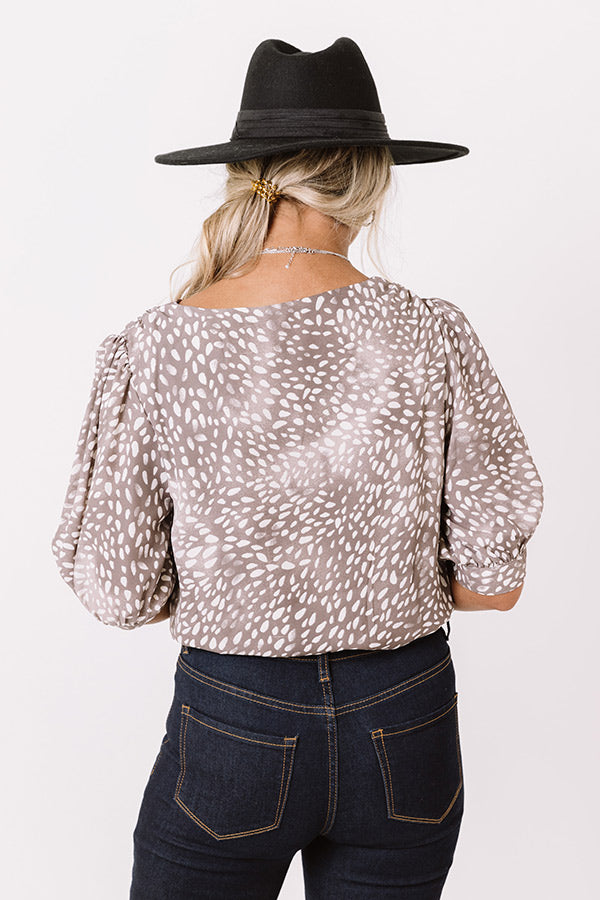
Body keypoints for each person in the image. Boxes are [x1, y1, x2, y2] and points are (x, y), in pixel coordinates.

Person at [50, 37, 544, 899]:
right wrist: (383, 579)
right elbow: (493, 587)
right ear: (369, 180)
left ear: (243, 176)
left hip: (233, 718)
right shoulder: (432, 334)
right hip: (407, 718)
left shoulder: (155, 347)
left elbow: (120, 593)